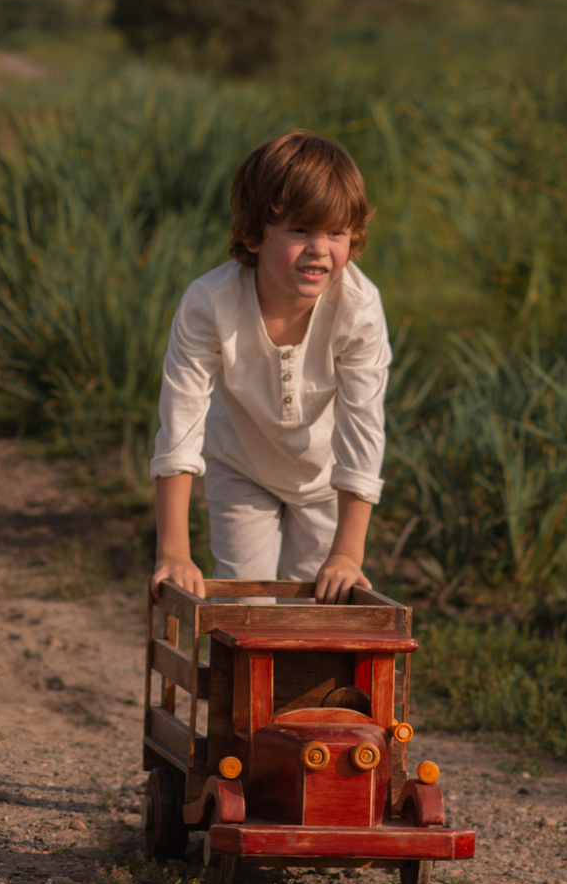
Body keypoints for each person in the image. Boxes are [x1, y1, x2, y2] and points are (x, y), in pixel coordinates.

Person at [148, 130, 390, 602]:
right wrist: (173, 550)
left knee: (317, 609)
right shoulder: (209, 304)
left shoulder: (358, 309)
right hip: (241, 466)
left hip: (325, 480)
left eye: (336, 232)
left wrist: (347, 553)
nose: (320, 248)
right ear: (254, 232)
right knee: (245, 601)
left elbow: (364, 428)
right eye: (301, 230)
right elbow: (180, 424)